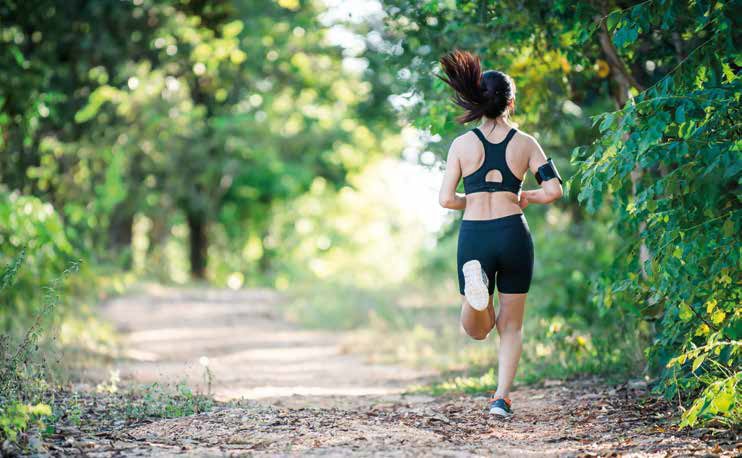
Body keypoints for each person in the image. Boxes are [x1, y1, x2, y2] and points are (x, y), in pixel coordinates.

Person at [436, 50, 564, 417]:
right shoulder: (526, 143)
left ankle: (476, 300)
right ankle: (501, 399)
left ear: (478, 100)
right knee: (511, 326)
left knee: (478, 329)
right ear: (511, 101)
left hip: (475, 233)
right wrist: (524, 196)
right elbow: (555, 191)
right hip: (513, 233)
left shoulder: (462, 145)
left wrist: (474, 198)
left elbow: (446, 199)